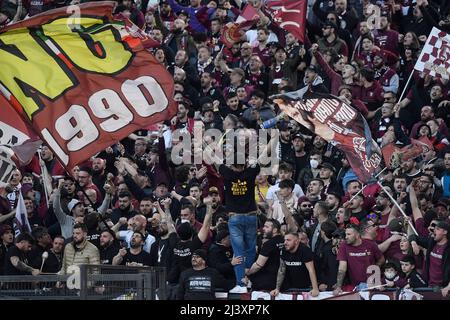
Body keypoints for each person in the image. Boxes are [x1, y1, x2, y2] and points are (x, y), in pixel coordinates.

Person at [334, 224, 385, 294]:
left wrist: (374, 270)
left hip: (372, 285)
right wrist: (338, 287)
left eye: (349, 234)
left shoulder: (371, 245)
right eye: (346, 234)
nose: (346, 237)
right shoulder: (344, 245)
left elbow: (381, 260)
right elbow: (342, 268)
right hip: (354, 286)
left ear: (357, 235)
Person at [270, 232, 320, 297]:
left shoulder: (305, 250)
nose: (285, 242)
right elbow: (281, 270)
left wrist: (315, 288)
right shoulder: (284, 250)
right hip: (290, 287)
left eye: (288, 240)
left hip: (306, 287)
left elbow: (311, 270)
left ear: (296, 242)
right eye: (284, 240)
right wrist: (277, 288)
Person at [409, 221, 450, 296]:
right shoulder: (431, 242)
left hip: (442, 287)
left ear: (445, 232)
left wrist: (448, 286)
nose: (434, 230)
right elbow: (413, 236)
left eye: (437, 229)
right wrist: (413, 242)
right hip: (429, 285)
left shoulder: (448, 248)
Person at [245, 219, 284, 292]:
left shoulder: (269, 244)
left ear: (275, 230)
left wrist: (247, 272)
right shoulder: (284, 241)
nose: (263, 229)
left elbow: (258, 265)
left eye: (266, 227)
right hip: (283, 280)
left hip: (267, 281)